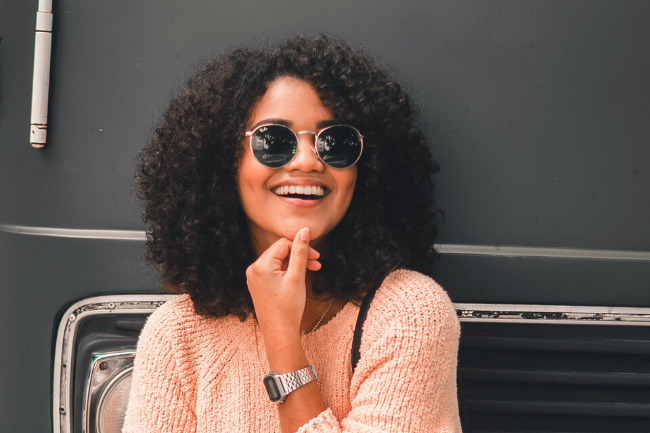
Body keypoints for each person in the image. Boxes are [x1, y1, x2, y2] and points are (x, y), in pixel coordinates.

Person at [123, 35, 461, 433]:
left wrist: (282, 338)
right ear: (222, 163)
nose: (306, 161)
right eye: (274, 141)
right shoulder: (175, 337)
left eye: (334, 143)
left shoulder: (409, 314)